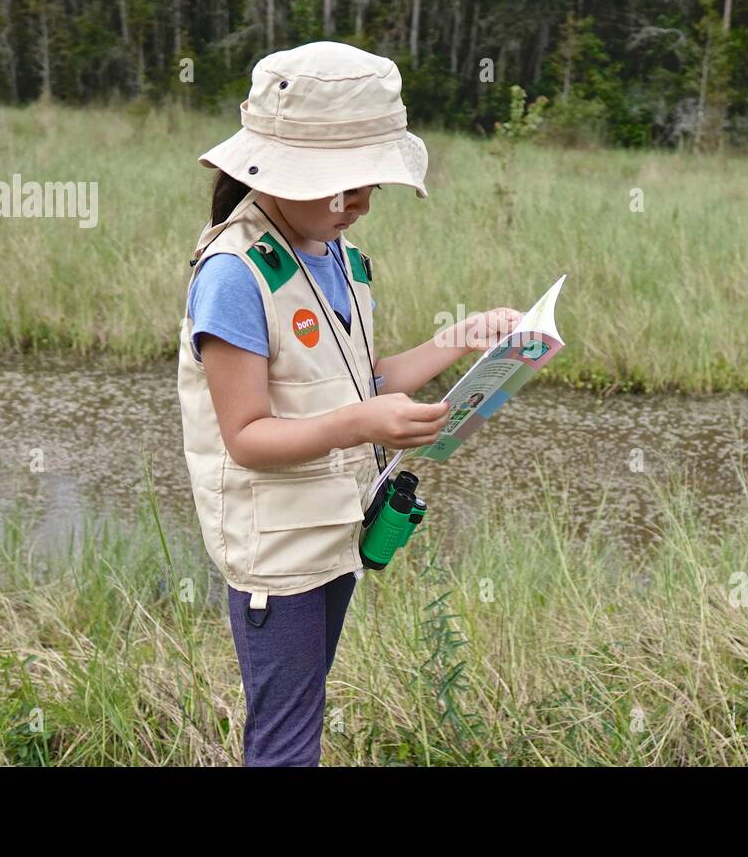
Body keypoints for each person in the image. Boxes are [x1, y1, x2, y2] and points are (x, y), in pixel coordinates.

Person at [177, 41, 521, 766]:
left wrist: (460, 339)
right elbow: (245, 436)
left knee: (305, 717)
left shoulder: (335, 254)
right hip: (278, 550)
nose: (355, 203)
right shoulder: (233, 274)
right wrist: (363, 424)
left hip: (335, 529)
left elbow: (361, 378)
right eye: (336, 183)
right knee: (287, 742)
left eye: (368, 184)